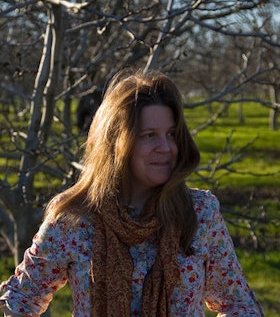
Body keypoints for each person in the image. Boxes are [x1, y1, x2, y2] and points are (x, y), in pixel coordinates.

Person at [0, 69, 264, 316]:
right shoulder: (74, 219)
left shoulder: (199, 213)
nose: (165, 147)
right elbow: (22, 299)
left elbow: (239, 304)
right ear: (116, 142)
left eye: (171, 134)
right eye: (149, 135)